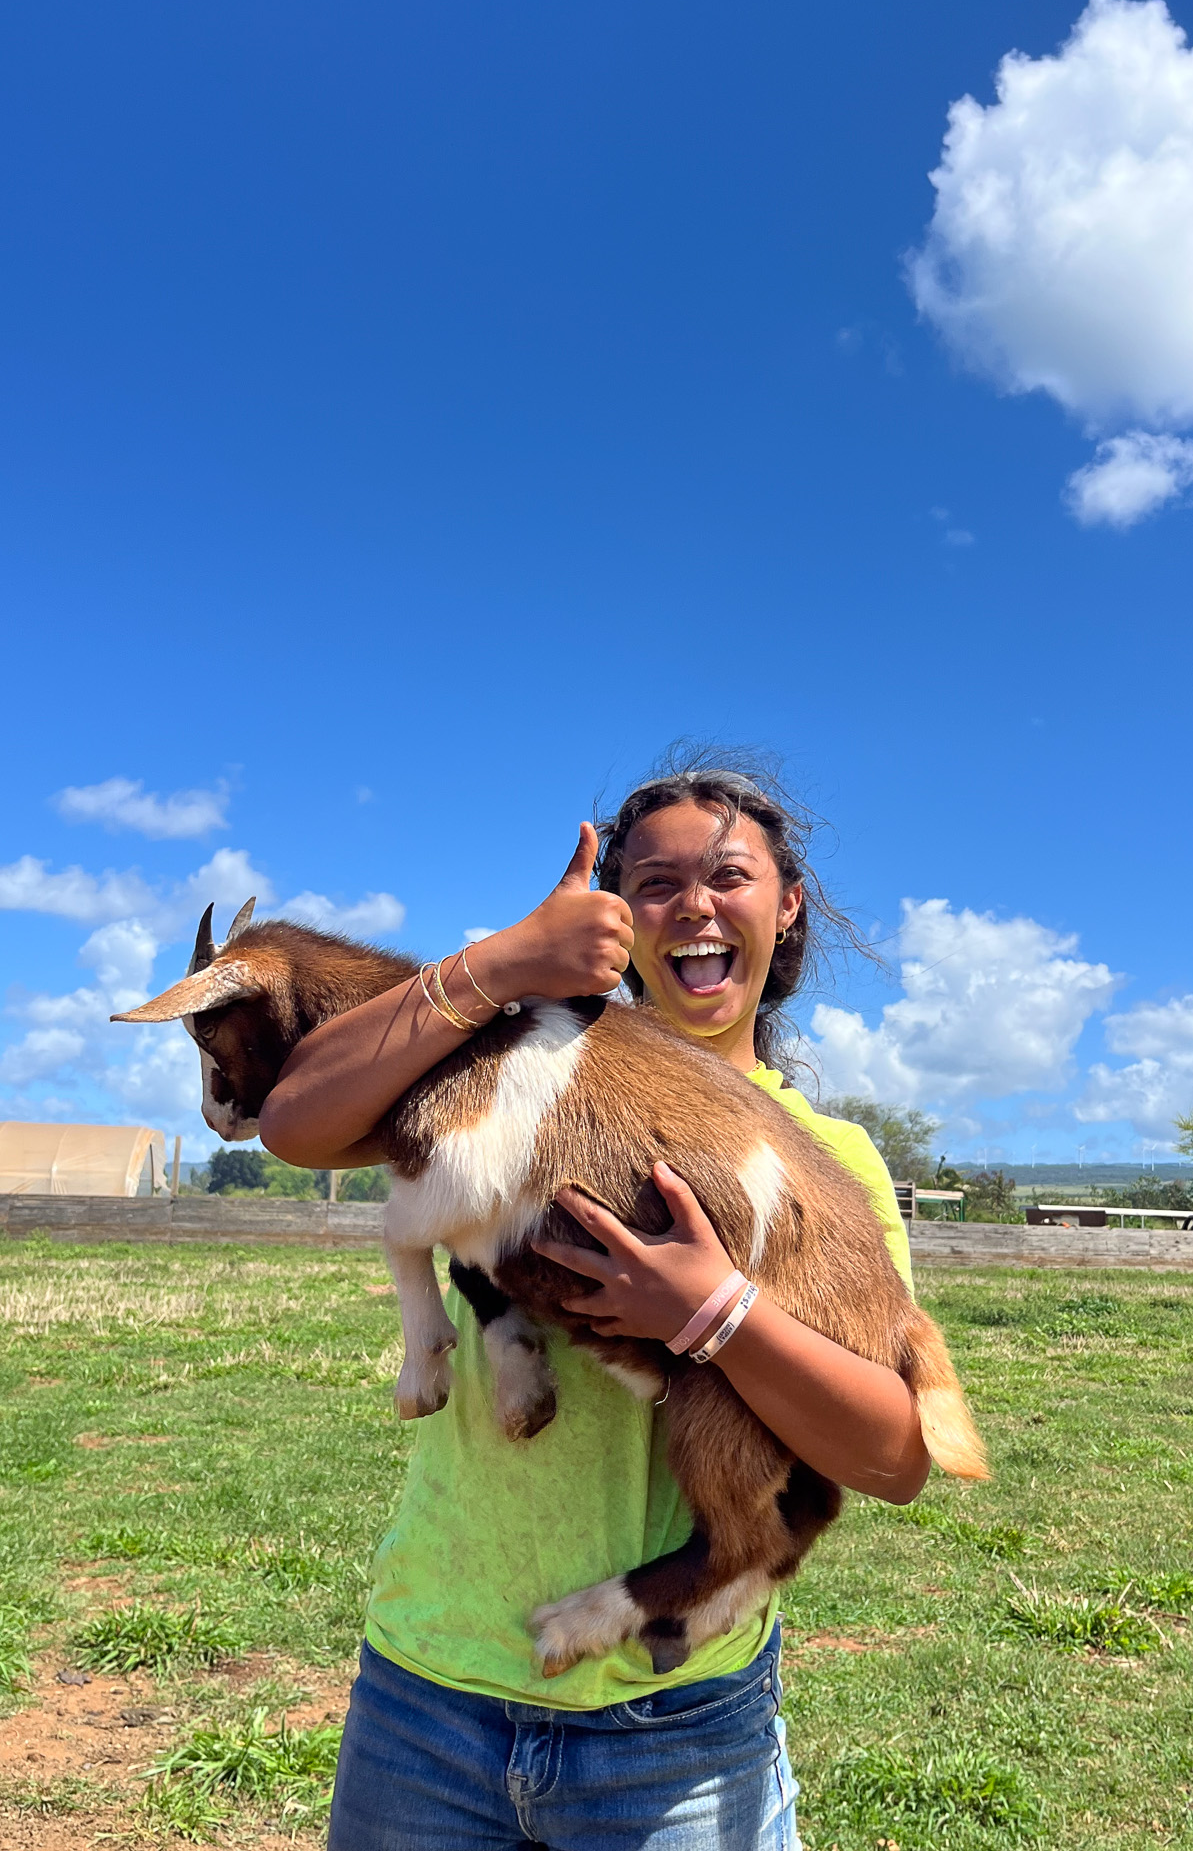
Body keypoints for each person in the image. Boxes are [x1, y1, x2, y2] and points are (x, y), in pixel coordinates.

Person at [260, 760, 930, 1851]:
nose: (696, 908)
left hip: (673, 1734)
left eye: (730, 876)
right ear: (615, 912)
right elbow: (291, 1123)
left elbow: (896, 1458)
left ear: (788, 904)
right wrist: (502, 964)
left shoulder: (830, 1167)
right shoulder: (513, 1053)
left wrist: (718, 1314)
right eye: (654, 883)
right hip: (428, 1692)